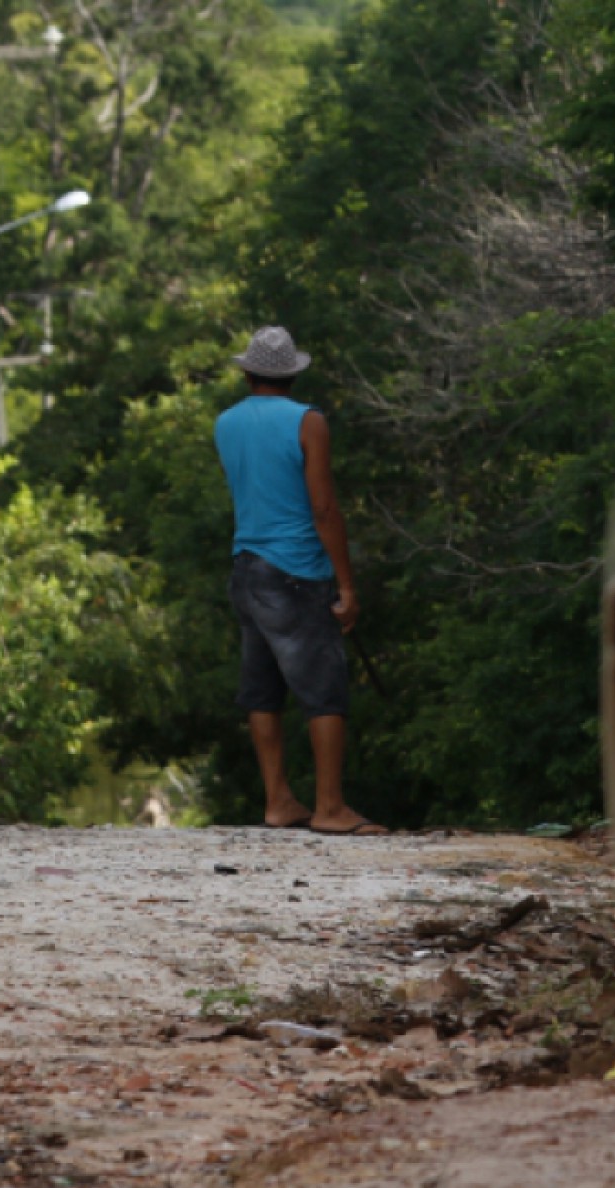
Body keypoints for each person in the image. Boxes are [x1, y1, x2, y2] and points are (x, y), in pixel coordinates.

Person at [214, 326, 385, 836]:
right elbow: (323, 507)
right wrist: (347, 586)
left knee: (262, 690)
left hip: (245, 568)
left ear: (248, 372)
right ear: (291, 373)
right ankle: (330, 807)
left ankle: (278, 801)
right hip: (295, 572)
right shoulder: (308, 422)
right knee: (324, 690)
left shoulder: (226, 423)